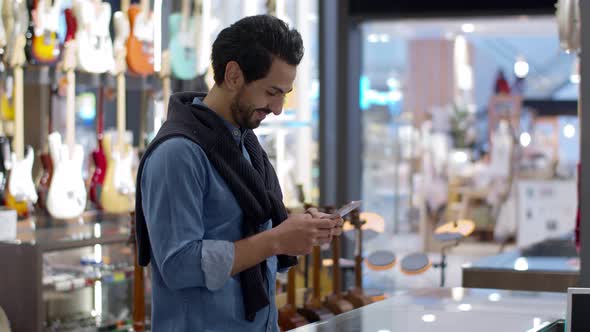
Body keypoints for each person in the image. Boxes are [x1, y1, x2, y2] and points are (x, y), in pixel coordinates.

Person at [134, 15, 344, 332]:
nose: (278, 108)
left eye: (284, 94)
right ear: (233, 75)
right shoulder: (178, 154)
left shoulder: (246, 144)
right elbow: (178, 265)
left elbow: (257, 230)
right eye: (272, 92)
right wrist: (275, 240)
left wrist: (301, 230)